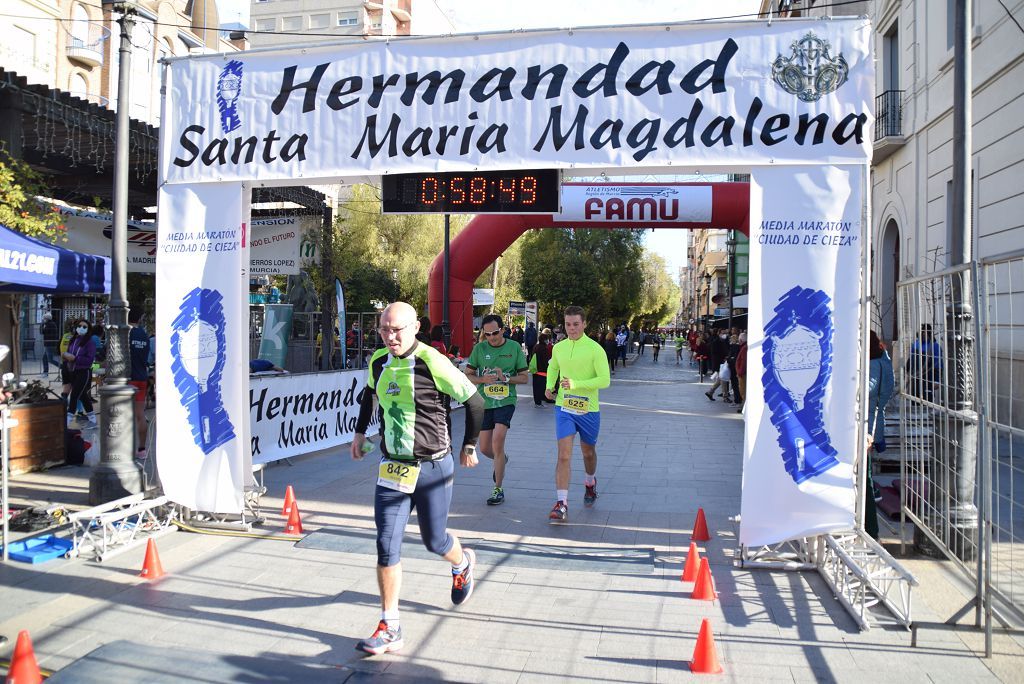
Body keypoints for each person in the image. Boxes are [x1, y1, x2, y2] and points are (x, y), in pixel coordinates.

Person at [350, 302, 485, 656]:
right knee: (386, 543)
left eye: (396, 330)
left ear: (414, 328)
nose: (390, 336)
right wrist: (360, 432)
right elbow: (369, 393)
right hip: (392, 467)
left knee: (434, 540)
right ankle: (390, 625)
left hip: (432, 468)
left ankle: (462, 562)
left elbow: (475, 402)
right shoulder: (378, 360)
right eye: (384, 329)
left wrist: (470, 445)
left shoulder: (432, 361)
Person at [545, 305, 611, 522]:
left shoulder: (595, 349)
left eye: (575, 324)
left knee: (588, 452)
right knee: (564, 454)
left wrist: (576, 383)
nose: (571, 329)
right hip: (564, 407)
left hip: (588, 409)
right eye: (567, 324)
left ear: (584, 324)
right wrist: (549, 385)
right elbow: (554, 367)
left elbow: (605, 380)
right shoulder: (559, 347)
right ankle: (561, 503)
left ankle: (590, 482)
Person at [464, 313, 528, 505]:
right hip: (485, 402)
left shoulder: (514, 347)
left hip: (506, 400)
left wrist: (506, 378)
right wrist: (482, 379)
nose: (492, 337)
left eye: (495, 333)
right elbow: (468, 374)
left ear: (502, 330)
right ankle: (502, 459)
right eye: (488, 334)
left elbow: (525, 377)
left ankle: (498, 489)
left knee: (498, 441)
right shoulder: (479, 349)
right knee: (485, 448)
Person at [865, 330, 895, 539]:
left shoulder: (875, 364)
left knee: (865, 475)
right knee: (865, 472)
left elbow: (867, 389)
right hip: (874, 420)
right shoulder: (884, 361)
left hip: (868, 423)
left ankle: (870, 527)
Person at [62, 319, 96, 426]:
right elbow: (69, 352)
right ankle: (93, 419)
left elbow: (89, 360)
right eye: (80, 326)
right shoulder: (73, 340)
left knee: (75, 395)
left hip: (83, 372)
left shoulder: (90, 343)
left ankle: (68, 420)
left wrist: (75, 358)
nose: (81, 328)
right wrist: (66, 356)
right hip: (72, 371)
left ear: (88, 329)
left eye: (84, 327)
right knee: (83, 396)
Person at [127, 309, 151, 460]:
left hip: (127, 379)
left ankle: (124, 448)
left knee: (122, 416)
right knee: (140, 415)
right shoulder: (144, 335)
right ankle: (141, 449)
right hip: (142, 378)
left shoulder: (125, 333)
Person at [529, 332, 554, 407]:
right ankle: (538, 403)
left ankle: (538, 401)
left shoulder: (536, 346)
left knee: (536, 387)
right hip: (542, 371)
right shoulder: (544, 348)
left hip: (535, 370)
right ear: (544, 340)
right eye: (547, 339)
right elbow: (545, 361)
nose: (548, 341)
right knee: (541, 387)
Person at [735, 333, 748, 414]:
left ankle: (744, 407)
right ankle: (743, 407)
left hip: (742, 374)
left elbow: (744, 361)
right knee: (743, 391)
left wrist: (739, 372)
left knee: (743, 391)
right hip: (742, 373)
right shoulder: (744, 347)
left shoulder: (744, 348)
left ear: (741, 340)